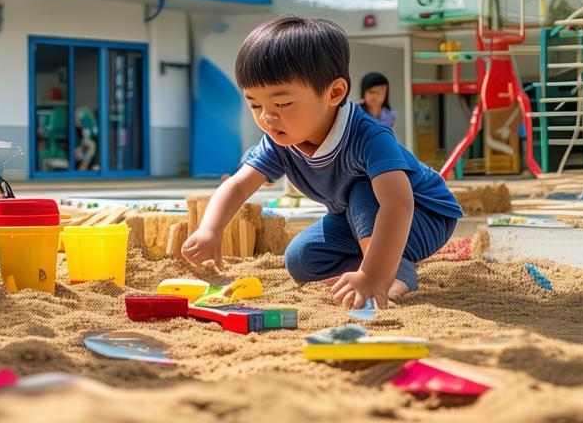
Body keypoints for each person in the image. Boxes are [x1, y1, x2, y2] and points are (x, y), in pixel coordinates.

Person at [182, 16, 462, 308]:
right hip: (355, 220)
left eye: (282, 104)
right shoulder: (280, 141)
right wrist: (210, 230)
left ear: (334, 93)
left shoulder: (369, 136)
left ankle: (388, 276)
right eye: (255, 105)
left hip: (424, 215)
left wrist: (372, 275)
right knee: (301, 259)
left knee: (361, 190)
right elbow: (239, 186)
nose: (267, 116)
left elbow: (398, 203)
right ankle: (375, 266)